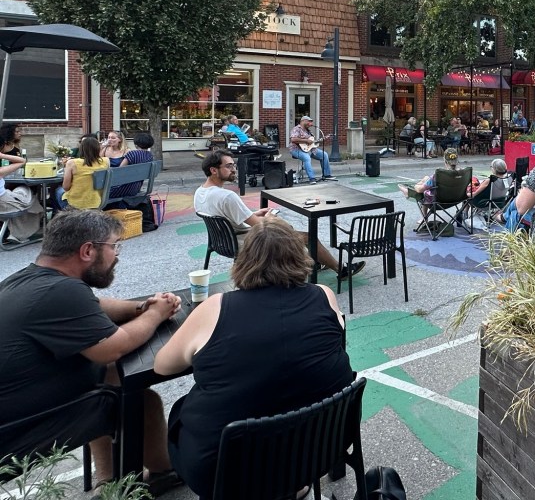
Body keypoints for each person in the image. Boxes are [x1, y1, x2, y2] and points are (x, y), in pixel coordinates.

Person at [154, 217, 353, 499]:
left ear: (243, 260)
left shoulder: (215, 307)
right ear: (300, 256)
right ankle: (290, 486)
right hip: (316, 452)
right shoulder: (324, 295)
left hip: (224, 469)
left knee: (184, 409)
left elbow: (163, 365)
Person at [0, 210, 183, 493]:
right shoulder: (60, 292)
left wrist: (142, 306)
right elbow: (114, 347)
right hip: (19, 430)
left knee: (110, 379)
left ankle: (108, 481)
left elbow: (95, 306)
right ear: (87, 250)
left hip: (17, 407)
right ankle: (161, 474)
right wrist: (156, 314)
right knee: (130, 396)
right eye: (114, 246)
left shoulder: (30, 279)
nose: (117, 255)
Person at [193, 151, 363, 280]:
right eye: (229, 166)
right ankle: (341, 269)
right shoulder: (227, 196)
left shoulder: (200, 193)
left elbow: (229, 217)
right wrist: (271, 219)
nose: (234, 169)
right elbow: (258, 225)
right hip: (245, 241)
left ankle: (314, 263)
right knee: (304, 236)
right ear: (213, 170)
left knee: (287, 229)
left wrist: (254, 214)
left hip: (222, 242)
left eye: (233, 165)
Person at [0, 146, 43, 242]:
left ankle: (19, 232)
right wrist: (2, 155)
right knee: (27, 192)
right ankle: (22, 233)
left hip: (5, 200)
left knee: (20, 191)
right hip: (5, 205)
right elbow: (22, 161)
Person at [55, 136, 110, 210]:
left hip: (75, 204)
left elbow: (66, 187)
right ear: (98, 148)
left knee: (57, 190)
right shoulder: (106, 161)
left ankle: (58, 216)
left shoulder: (72, 163)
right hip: (97, 201)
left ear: (82, 149)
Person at [108, 131, 156, 202]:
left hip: (123, 189)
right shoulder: (149, 155)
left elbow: (119, 171)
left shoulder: (132, 154)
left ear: (136, 144)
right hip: (136, 188)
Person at [289, 115, 333, 183]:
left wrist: (318, 141)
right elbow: (293, 139)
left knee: (324, 155)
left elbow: (311, 143)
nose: (310, 124)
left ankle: (327, 175)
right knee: (307, 158)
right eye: (309, 122)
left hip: (309, 149)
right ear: (303, 121)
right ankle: (312, 178)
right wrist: (306, 141)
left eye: (311, 122)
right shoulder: (296, 129)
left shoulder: (308, 131)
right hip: (296, 149)